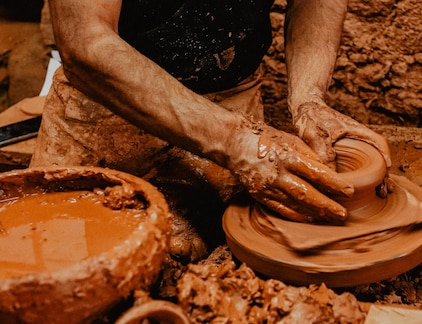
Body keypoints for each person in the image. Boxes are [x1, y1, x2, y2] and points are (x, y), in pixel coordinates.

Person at [31, 0, 391, 223]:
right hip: (106, 109)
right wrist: (235, 140)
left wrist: (309, 98)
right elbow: (86, 42)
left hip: (235, 102)